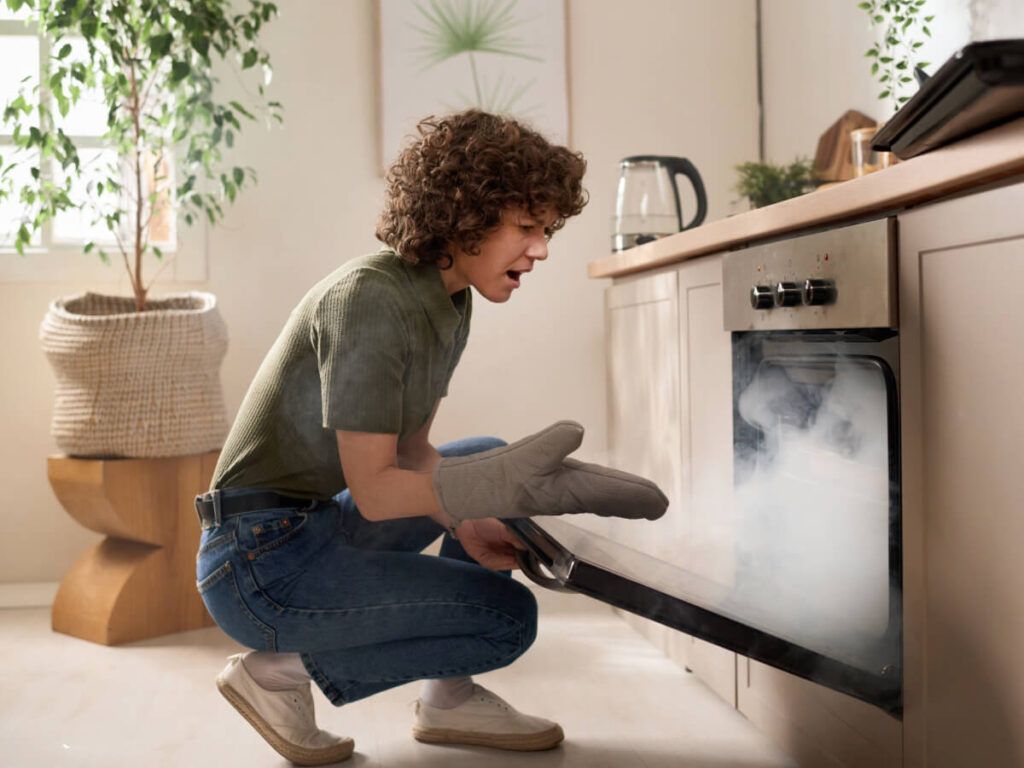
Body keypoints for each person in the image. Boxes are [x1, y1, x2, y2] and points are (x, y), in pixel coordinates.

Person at [194, 109, 668, 766]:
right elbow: (379, 492)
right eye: (527, 227)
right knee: (506, 619)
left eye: (548, 229)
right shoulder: (371, 302)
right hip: (256, 564)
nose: (543, 248)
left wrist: (468, 519)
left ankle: (447, 699)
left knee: (479, 458)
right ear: (463, 216)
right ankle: (276, 674)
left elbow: (414, 454)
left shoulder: (449, 301)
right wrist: (483, 493)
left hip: (310, 528)